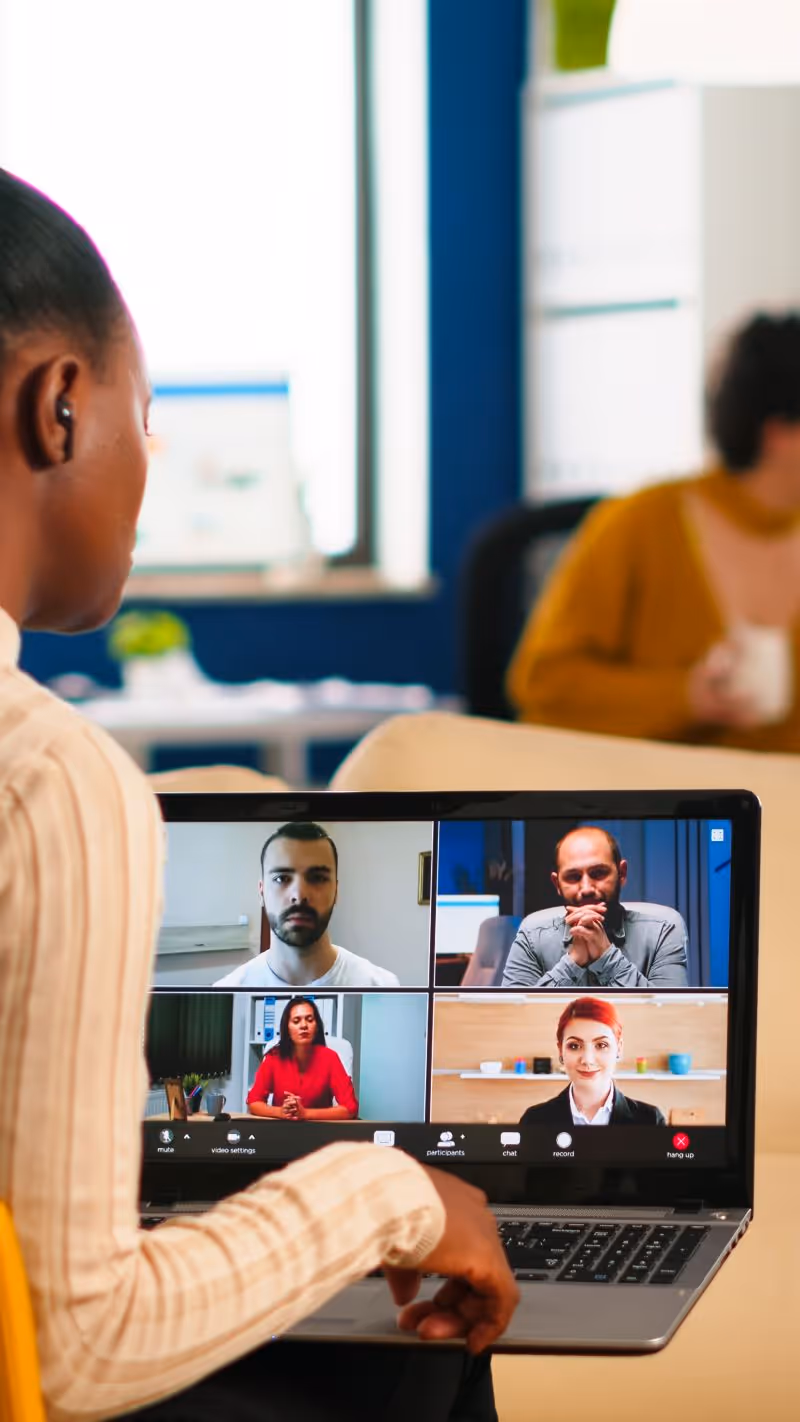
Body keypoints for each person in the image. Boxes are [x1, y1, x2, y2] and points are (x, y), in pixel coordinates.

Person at [0, 170, 517, 1422]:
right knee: (407, 1367)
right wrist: (395, 1194)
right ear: (60, 406)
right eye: (147, 416)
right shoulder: (45, 782)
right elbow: (84, 1348)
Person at [507, 311, 800, 752]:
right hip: (670, 809)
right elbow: (543, 684)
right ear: (778, 432)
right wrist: (685, 697)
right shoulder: (640, 523)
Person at [214, 822, 400, 988]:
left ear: (336, 890)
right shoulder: (228, 990)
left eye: (317, 878)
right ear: (261, 891)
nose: (299, 895)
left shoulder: (382, 986)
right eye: (281, 878)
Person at [502, 826, 689, 988]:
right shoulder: (532, 935)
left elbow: (671, 1016)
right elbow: (515, 1017)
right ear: (557, 884)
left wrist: (606, 956)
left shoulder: (662, 931)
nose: (586, 889)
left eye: (598, 873)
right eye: (573, 877)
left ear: (621, 874)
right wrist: (572, 963)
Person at [519, 997, 666, 1127]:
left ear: (619, 1048)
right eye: (574, 1046)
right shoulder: (533, 1121)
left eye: (601, 1045)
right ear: (560, 1050)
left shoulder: (650, 1120)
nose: (587, 1060)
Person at [247, 997, 359, 1120]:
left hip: (319, 1130)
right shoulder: (274, 1057)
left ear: (317, 1026)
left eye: (310, 1020)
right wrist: (280, 1112)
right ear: (287, 1028)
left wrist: (305, 1114)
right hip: (281, 1129)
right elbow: (253, 1102)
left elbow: (350, 1108)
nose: (304, 1025)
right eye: (296, 1021)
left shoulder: (330, 1058)